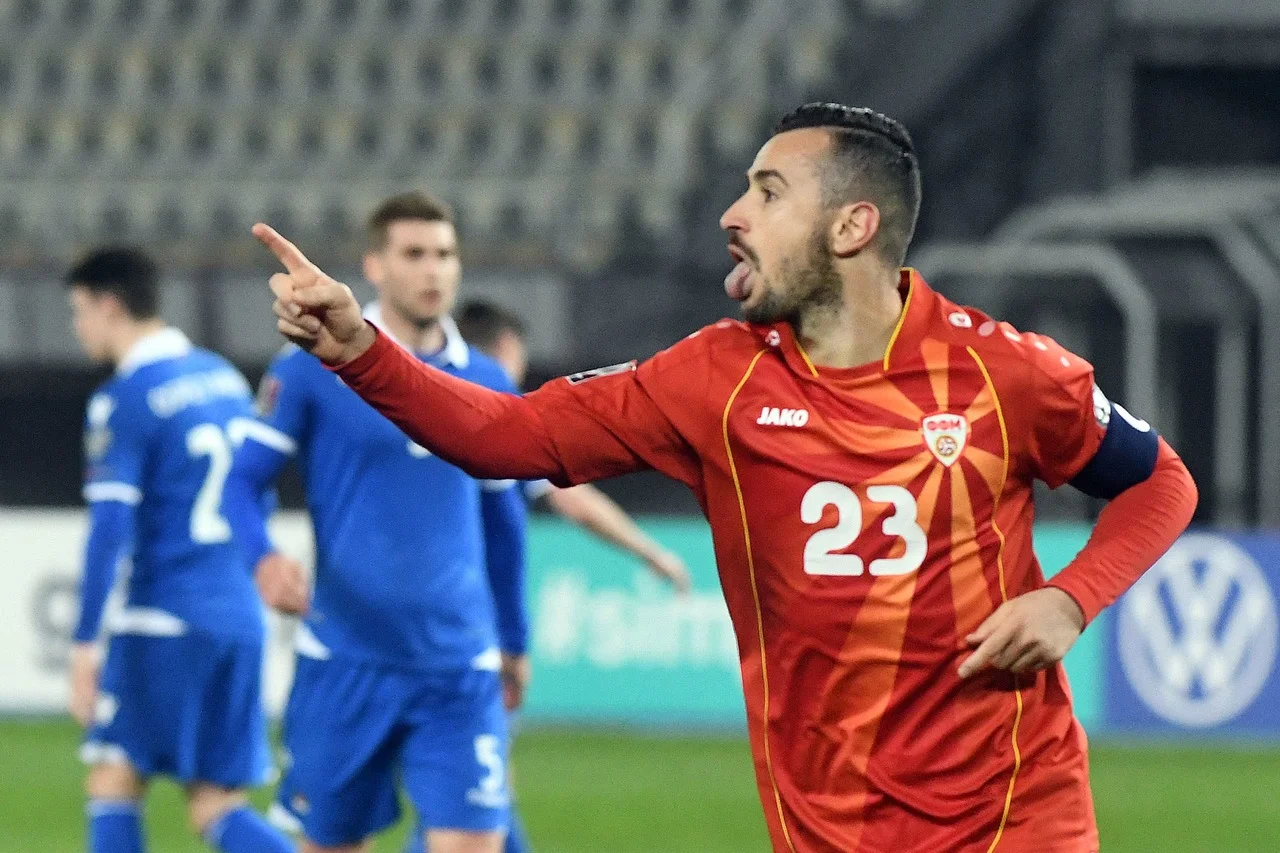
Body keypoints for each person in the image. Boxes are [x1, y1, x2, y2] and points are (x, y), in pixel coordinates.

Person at [254, 103, 1199, 852]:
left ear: (851, 226)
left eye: (767, 193)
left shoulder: (1005, 372)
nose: (732, 216)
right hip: (825, 824)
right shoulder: (715, 378)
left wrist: (1071, 597)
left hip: (1012, 814)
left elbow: (1161, 481)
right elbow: (507, 434)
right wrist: (360, 350)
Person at [223, 192, 529, 853]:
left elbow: (504, 522)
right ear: (375, 265)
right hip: (345, 661)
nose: (433, 269)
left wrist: (515, 636)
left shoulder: (489, 380)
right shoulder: (312, 369)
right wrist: (262, 557)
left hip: (458, 665)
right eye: (414, 254)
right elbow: (242, 482)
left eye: (444, 254)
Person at [66, 247, 294, 853]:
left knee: (114, 779)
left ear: (110, 306)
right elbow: (257, 493)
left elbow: (109, 530)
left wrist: (85, 642)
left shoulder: (124, 398)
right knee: (215, 802)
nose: (78, 327)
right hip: (238, 618)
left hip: (165, 616)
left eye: (80, 311)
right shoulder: (222, 378)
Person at [455, 300, 692, 592]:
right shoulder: (504, 413)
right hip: (478, 594)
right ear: (508, 344)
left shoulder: (433, 410)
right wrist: (652, 553)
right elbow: (573, 501)